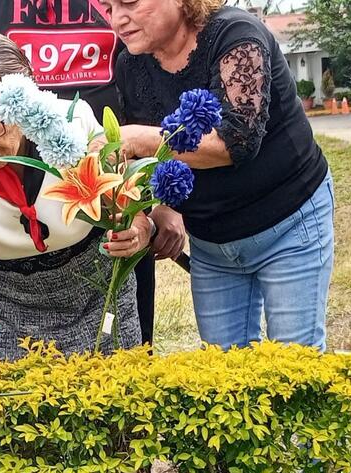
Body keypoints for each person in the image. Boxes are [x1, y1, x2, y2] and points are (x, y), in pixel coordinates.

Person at [0, 0, 189, 347]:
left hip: (116, 181)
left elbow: (155, 74)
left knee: (124, 343)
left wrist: (165, 200)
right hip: (21, 168)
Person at [101, 0, 334, 351]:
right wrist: (163, 206)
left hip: (288, 225)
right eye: (108, 6)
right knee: (225, 374)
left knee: (294, 368)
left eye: (129, 2)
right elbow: (156, 161)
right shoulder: (130, 63)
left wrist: (141, 139)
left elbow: (236, 142)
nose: (117, 18)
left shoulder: (236, 35)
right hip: (212, 242)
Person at [0, 34, 148, 362]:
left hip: (97, 295)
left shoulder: (74, 127)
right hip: (11, 308)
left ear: (23, 105)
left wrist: (137, 233)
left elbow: (132, 213)